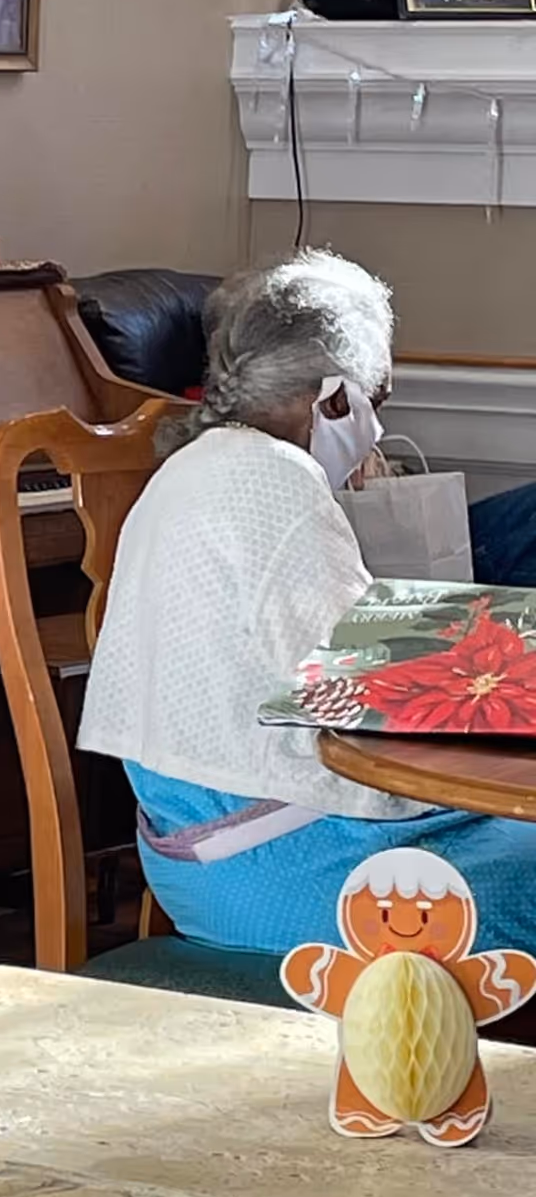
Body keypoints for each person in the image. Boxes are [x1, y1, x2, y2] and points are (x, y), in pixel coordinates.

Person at [78, 250, 536, 957]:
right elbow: (369, 692)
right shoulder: (275, 482)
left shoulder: (193, 469)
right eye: (375, 405)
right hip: (294, 877)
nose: (375, 436)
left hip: (210, 861)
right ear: (332, 400)